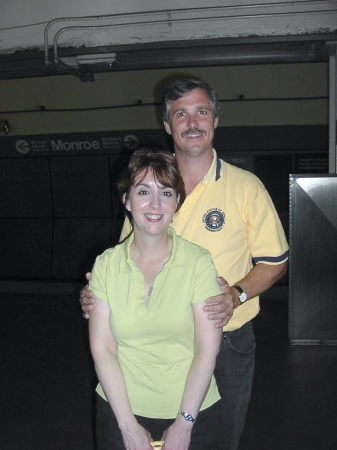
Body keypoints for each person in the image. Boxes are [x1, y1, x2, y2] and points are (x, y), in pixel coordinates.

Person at [81, 78, 289, 450]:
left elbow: (276, 261)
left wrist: (237, 296)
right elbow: (124, 260)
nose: (192, 122)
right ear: (167, 126)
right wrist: (99, 292)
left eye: (201, 111)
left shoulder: (246, 187)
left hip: (224, 341)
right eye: (181, 114)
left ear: (216, 120)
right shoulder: (150, 186)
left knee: (218, 438)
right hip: (151, 345)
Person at [88, 148, 223, 450]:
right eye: (143, 191)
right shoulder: (106, 265)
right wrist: (127, 427)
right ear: (127, 200)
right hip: (119, 412)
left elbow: (206, 350)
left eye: (166, 193)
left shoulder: (199, 262)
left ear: (177, 202)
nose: (154, 204)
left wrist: (185, 425)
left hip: (194, 412)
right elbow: (104, 349)